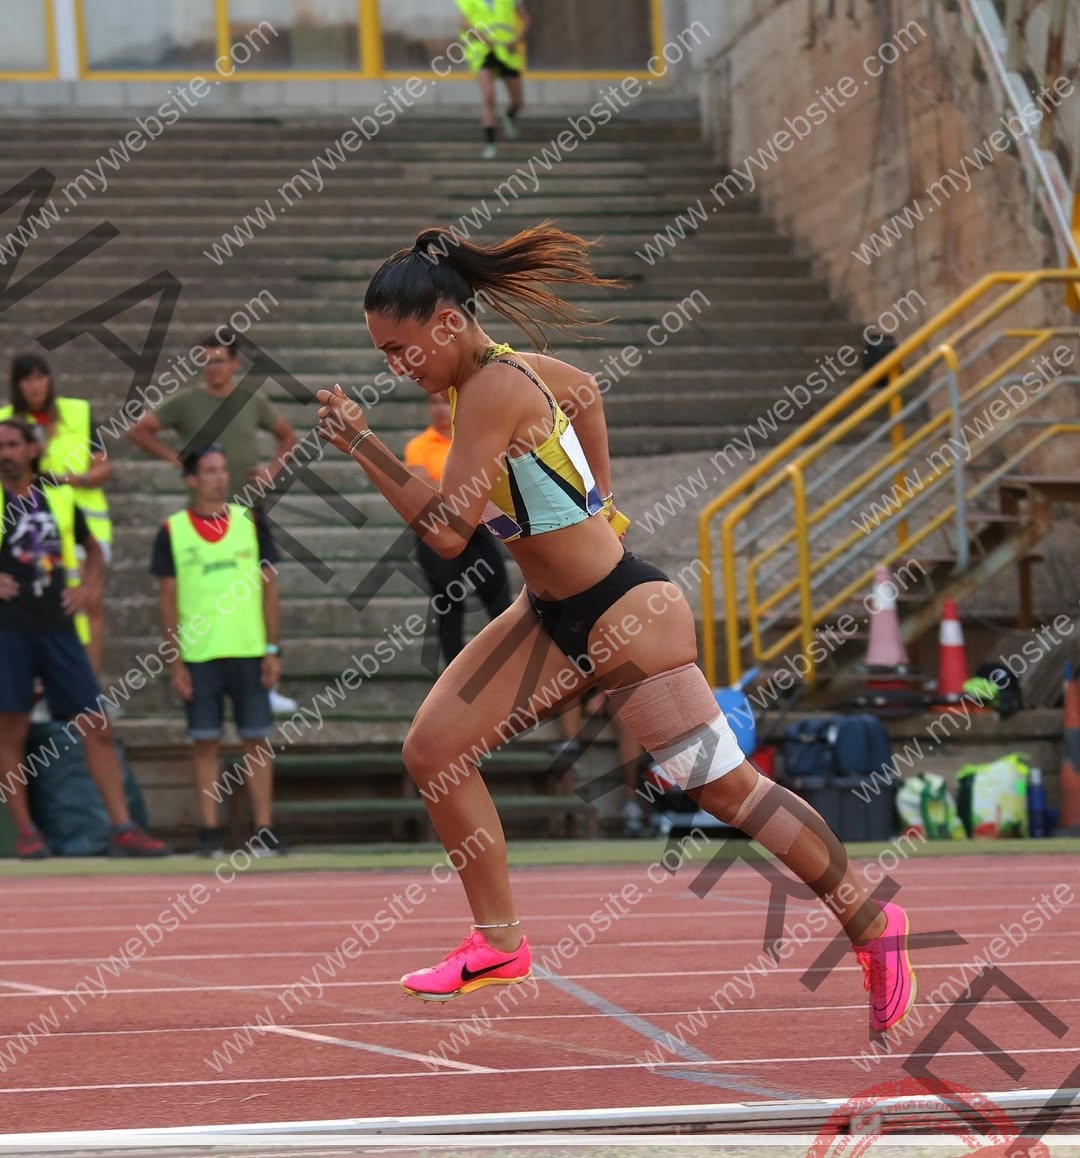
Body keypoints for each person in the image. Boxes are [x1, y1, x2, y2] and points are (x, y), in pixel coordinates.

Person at [314, 222, 916, 1037]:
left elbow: (450, 532)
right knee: (432, 751)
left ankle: (874, 926)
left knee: (727, 792)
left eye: (400, 348)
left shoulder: (492, 387)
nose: (396, 366)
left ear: (448, 322)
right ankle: (499, 943)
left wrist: (361, 444)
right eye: (385, 353)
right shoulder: (505, 374)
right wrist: (599, 497)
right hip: (548, 614)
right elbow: (588, 392)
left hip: (627, 617)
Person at [0, 420, 167, 860]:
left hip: (58, 626)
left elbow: (93, 548)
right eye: (0, 447)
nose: (6, 453)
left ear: (31, 449)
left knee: (97, 724)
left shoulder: (56, 494)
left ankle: (122, 826)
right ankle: (26, 831)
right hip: (9, 629)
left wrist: (90, 587)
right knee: (10, 730)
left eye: (13, 445)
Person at [128, 327, 300, 715]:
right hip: (202, 516)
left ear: (235, 363)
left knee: (260, 592)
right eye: (205, 361)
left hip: (248, 512)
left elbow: (287, 435)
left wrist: (272, 470)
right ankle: (196, 672)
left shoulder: (251, 401)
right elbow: (139, 429)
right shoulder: (186, 402)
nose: (212, 367)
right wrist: (176, 459)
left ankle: (267, 680)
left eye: (219, 360)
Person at [150, 444, 287, 859]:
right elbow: (167, 601)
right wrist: (175, 660)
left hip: (248, 649)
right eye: (209, 471)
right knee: (205, 743)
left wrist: (272, 648)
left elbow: (270, 592)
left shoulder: (252, 521)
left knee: (257, 740)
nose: (219, 478)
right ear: (191, 479)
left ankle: (264, 830)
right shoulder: (173, 530)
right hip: (199, 655)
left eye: (223, 470)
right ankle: (209, 832)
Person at [0, 352, 112, 675]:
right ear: (16, 384)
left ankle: (89, 686)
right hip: (25, 519)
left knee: (87, 600)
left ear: (50, 379)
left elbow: (103, 467)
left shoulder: (77, 412)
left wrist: (70, 480)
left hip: (81, 522)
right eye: (27, 378)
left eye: (40, 376)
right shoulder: (5, 419)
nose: (35, 386)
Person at [405, 391, 512, 668]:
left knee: (500, 603)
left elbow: (486, 480)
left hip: (477, 531)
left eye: (445, 401)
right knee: (448, 606)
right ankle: (456, 676)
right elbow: (423, 491)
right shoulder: (419, 445)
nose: (440, 408)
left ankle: (510, 669)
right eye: (434, 402)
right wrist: (464, 489)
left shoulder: (470, 439)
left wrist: (445, 488)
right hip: (436, 534)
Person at [556, 688, 650, 836]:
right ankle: (570, 742)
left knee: (627, 719)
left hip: (614, 689)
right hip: (577, 687)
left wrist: (602, 694)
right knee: (568, 688)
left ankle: (631, 803)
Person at [456, 0, 528, 159]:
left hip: (506, 49)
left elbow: (525, 18)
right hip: (482, 51)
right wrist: (483, 38)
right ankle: (490, 143)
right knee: (489, 96)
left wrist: (517, 40)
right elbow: (464, 23)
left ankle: (509, 116)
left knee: (518, 102)